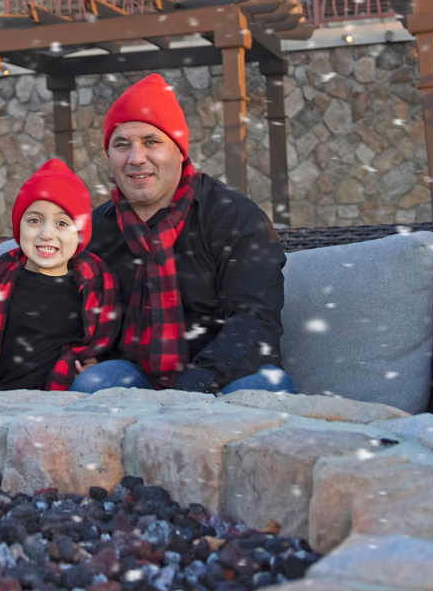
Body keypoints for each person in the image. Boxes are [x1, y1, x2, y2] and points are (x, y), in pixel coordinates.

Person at [70, 73, 297, 395]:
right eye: (122, 144)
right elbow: (68, 311)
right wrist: (80, 355)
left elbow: (255, 322)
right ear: (109, 155)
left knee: (265, 389)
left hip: (231, 372)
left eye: (151, 142)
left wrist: (187, 394)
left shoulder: (233, 217)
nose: (136, 158)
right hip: (135, 375)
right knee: (95, 382)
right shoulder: (96, 231)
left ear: (179, 150)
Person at [0, 159, 120, 391]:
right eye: (34, 220)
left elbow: (106, 341)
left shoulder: (95, 283)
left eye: (61, 223)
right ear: (19, 227)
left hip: (58, 401)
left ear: (79, 234)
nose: (46, 234)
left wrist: (97, 362)